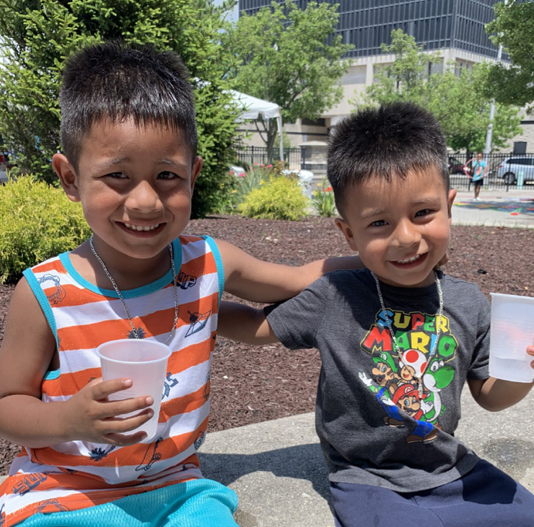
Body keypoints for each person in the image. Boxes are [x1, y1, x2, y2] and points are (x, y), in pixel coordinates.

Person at [0, 41, 366, 527]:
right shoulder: (46, 293)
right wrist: (70, 420)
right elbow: (7, 405)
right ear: (70, 179)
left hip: (176, 487)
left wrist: (382, 261)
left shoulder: (209, 264)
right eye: (118, 176)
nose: (146, 201)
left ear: (192, 175)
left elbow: (297, 280)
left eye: (167, 175)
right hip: (65, 491)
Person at [218, 102, 534, 526]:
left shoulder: (468, 302)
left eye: (423, 213)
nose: (406, 237)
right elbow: (257, 327)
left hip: (453, 470)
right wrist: (191, 306)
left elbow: (490, 396)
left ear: (450, 204)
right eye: (379, 223)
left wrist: (523, 369)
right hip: (367, 478)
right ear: (348, 232)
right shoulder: (336, 295)